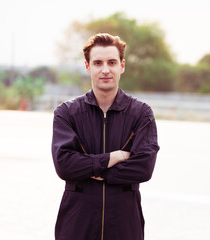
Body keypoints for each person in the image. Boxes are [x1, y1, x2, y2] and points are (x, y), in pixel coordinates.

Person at [51, 33, 159, 240]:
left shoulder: (141, 114)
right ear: (87, 67)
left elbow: (144, 168)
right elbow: (64, 165)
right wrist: (112, 158)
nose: (105, 70)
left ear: (122, 66)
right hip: (76, 225)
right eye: (98, 63)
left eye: (112, 62)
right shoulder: (66, 113)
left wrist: (92, 170)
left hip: (125, 225)